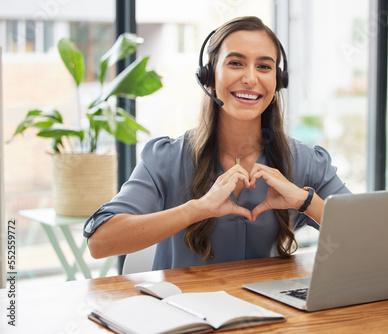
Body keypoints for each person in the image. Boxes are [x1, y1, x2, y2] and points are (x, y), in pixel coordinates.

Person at [84, 16, 350, 270]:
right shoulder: (166, 159)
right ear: (208, 76)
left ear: (278, 81)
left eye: (264, 66)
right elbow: (100, 242)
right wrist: (197, 209)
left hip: (272, 312)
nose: (250, 78)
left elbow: (373, 236)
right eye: (236, 63)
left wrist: (304, 201)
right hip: (182, 312)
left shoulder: (305, 160)